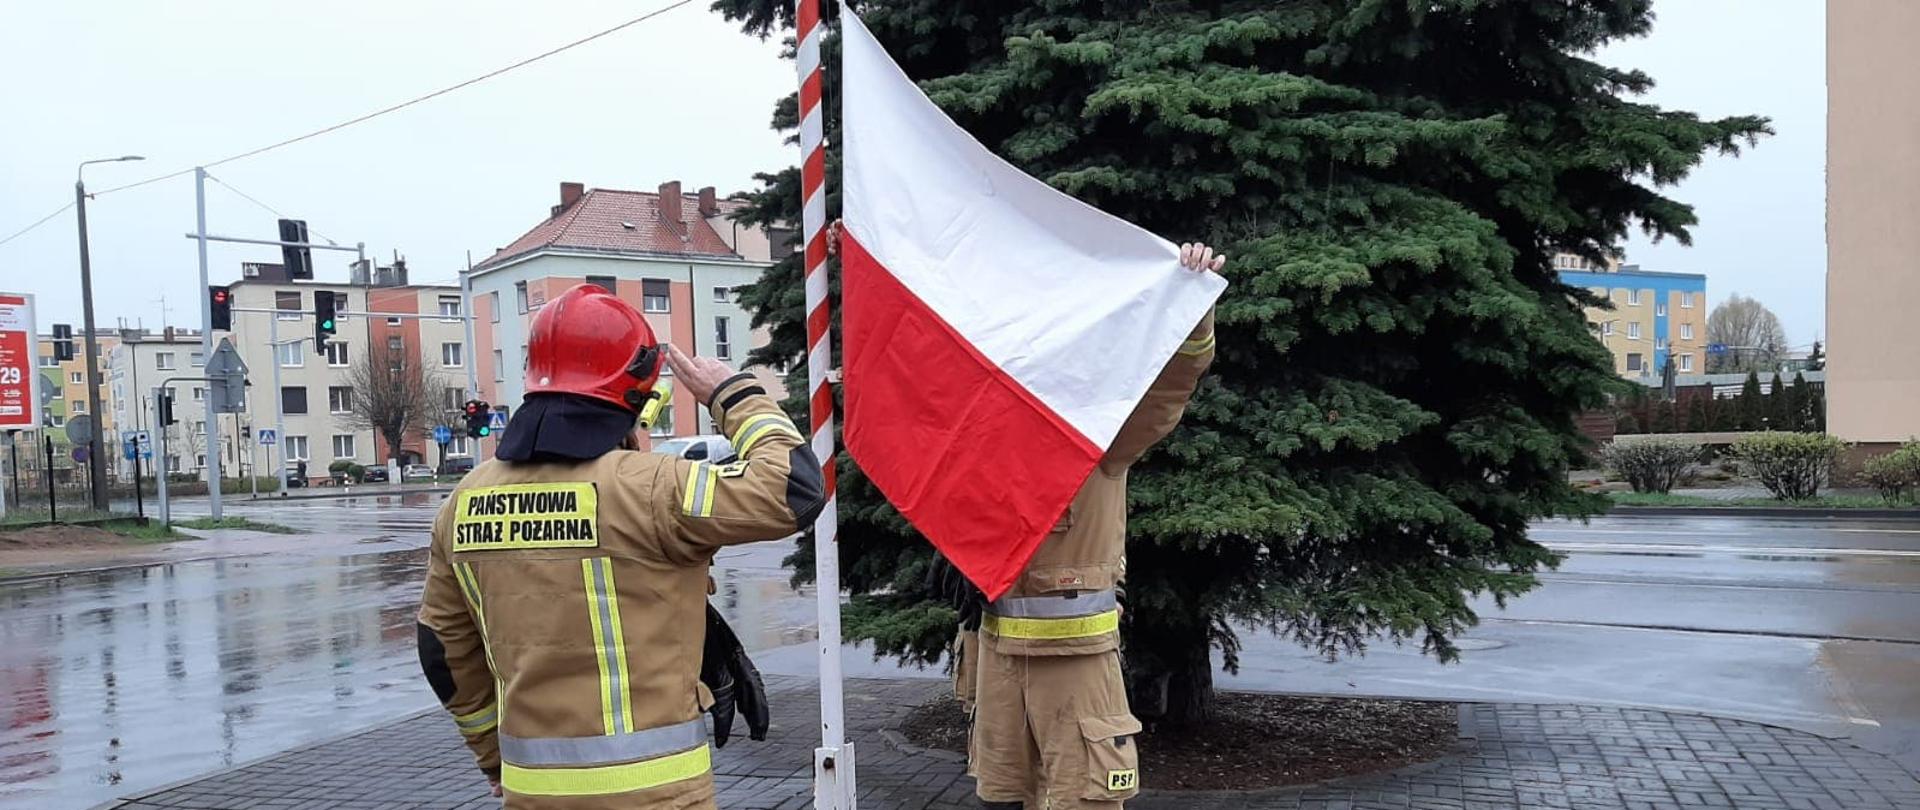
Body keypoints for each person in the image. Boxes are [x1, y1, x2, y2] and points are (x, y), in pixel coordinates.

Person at [415, 283, 825, 809]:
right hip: (657, 795)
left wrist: (493, 756)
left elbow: (441, 648)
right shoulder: (653, 487)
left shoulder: (464, 500)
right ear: (637, 392)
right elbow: (793, 489)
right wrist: (736, 396)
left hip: (531, 795)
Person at [964, 242, 1220, 810]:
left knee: (1085, 802)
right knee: (999, 798)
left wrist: (1193, 307)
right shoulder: (987, 446)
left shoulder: (1098, 441)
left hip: (1076, 670)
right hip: (996, 661)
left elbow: (1167, 390)